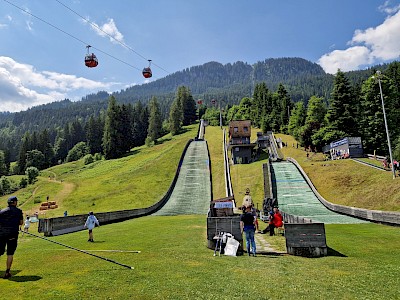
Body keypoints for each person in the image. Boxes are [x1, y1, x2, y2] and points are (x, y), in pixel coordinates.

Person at [0, 196, 23, 279]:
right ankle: (7, 272)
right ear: (14, 202)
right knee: (10, 253)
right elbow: (21, 223)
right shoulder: (18, 211)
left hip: (1, 234)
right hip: (12, 234)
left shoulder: (1, 211)